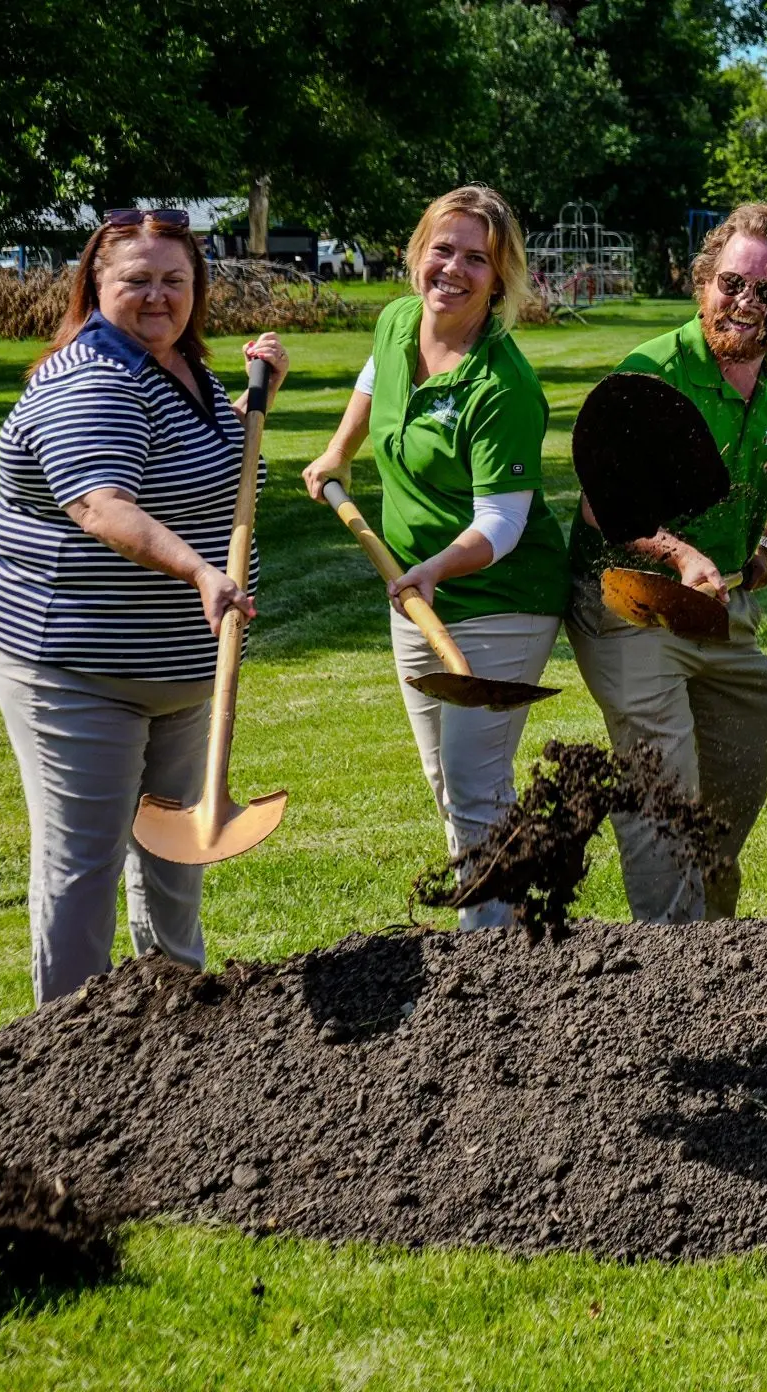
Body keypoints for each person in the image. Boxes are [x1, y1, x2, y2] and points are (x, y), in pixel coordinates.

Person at [0, 208, 290, 1001]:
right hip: (77, 669)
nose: (157, 296)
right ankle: (67, 1049)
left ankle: (175, 1025)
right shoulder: (91, 381)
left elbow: (208, 468)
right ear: (95, 285)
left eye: (174, 281)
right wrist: (199, 573)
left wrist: (257, 401)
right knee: (85, 863)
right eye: (136, 281)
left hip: (182, 670)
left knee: (176, 854)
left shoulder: (181, 366)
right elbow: (102, 505)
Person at [301, 186, 566, 930]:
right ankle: (513, 924)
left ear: (501, 278)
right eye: (442, 250)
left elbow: (501, 522)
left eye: (476, 259)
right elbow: (372, 377)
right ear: (416, 253)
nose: (453, 269)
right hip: (416, 591)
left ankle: (487, 963)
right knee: (446, 781)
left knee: (474, 785)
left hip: (499, 597)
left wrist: (438, 571)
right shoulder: (395, 321)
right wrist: (337, 453)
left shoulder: (500, 385)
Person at [565, 204, 767, 923]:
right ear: (702, 284)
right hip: (627, 600)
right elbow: (601, 504)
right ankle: (671, 957)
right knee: (660, 786)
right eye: (731, 284)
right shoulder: (653, 374)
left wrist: (761, 545)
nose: (745, 304)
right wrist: (679, 551)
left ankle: (709, 923)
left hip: (717, 606)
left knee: (751, 724)